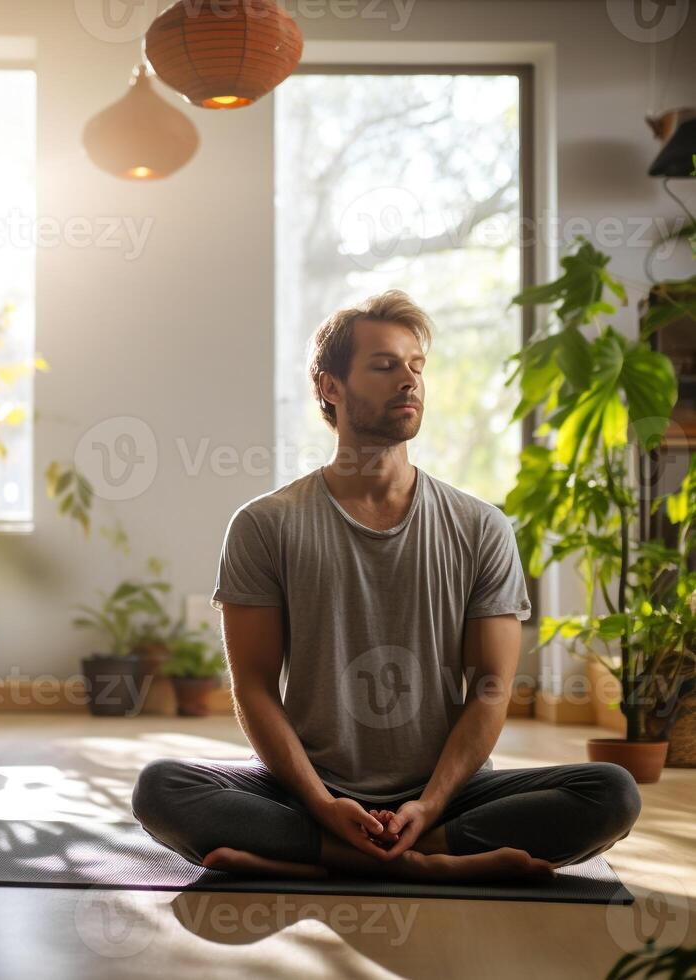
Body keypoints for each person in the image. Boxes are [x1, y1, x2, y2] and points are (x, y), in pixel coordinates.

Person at [131, 290, 642, 882]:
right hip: (307, 789)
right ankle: (434, 863)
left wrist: (427, 807)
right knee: (162, 788)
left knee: (611, 792)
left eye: (416, 366)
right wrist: (323, 804)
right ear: (330, 387)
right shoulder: (264, 525)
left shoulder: (481, 526)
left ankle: (328, 859)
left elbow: (492, 688)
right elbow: (253, 686)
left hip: (448, 792)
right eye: (384, 366)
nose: (409, 381)